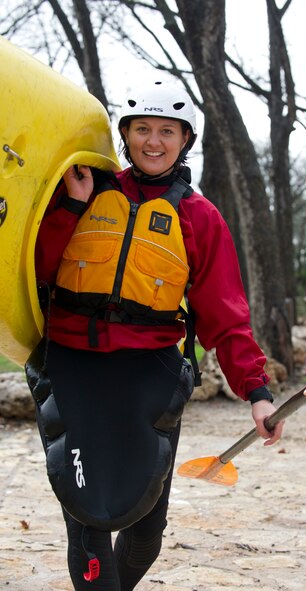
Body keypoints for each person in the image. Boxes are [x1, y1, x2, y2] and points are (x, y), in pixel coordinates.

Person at [25, 80, 284, 591]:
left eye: (167, 131)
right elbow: (32, 268)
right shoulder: (84, 189)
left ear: (185, 139)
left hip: (151, 371)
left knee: (146, 532)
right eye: (142, 128)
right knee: (89, 516)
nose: (153, 141)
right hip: (75, 366)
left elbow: (225, 314)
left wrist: (255, 391)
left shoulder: (198, 217)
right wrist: (71, 208)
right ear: (124, 134)